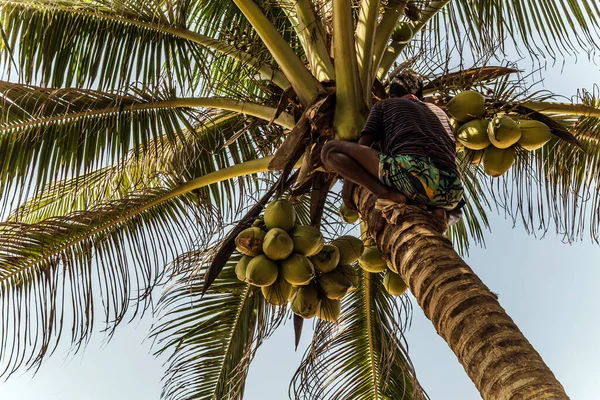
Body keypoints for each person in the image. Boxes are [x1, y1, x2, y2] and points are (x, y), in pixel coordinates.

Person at [321, 70, 464, 227]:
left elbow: (363, 145)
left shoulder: (384, 105)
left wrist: (347, 190)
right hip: (453, 191)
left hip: (414, 174)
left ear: (391, 94)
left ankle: (385, 193)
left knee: (330, 150)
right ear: (421, 96)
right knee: (435, 187)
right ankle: (440, 213)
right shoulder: (440, 113)